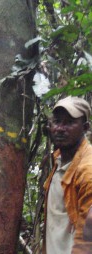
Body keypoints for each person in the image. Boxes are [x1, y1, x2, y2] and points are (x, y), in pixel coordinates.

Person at [43, 96, 92, 253]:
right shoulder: (58, 159)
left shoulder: (88, 170)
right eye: (57, 121)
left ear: (85, 128)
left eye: (69, 122)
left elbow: (88, 236)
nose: (60, 128)